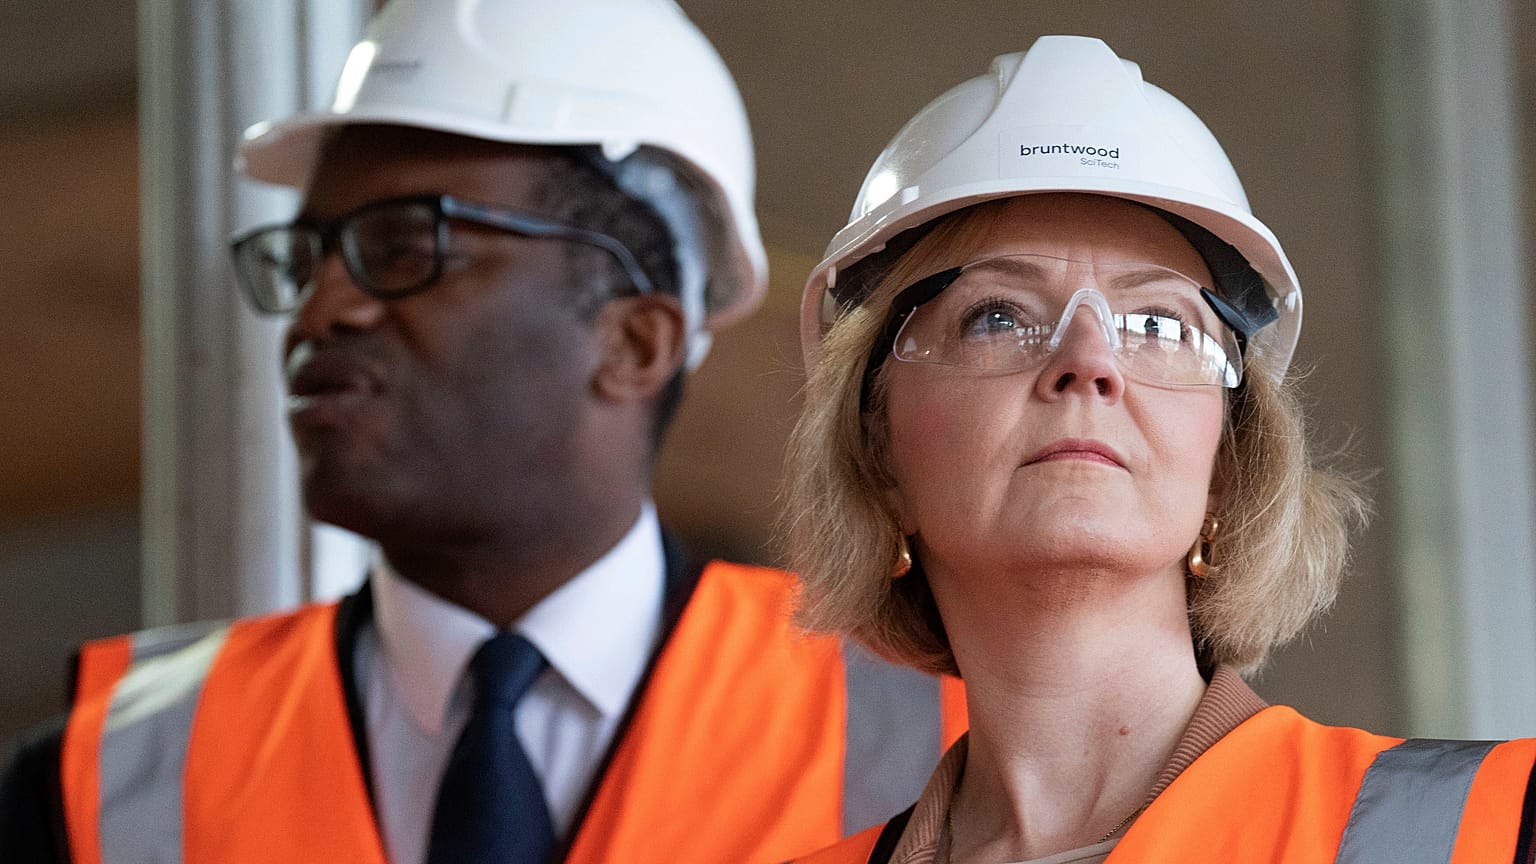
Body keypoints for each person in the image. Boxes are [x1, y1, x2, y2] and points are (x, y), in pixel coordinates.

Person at [0, 1, 965, 862]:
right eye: (310, 257)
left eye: (405, 246)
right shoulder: (108, 778)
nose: (318, 314)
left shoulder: (940, 735)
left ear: (634, 339)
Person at [780, 35, 1536, 864]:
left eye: (1158, 324)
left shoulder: (1498, 827)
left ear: (1227, 466)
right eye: (996, 314)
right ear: (878, 453)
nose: (1089, 363)